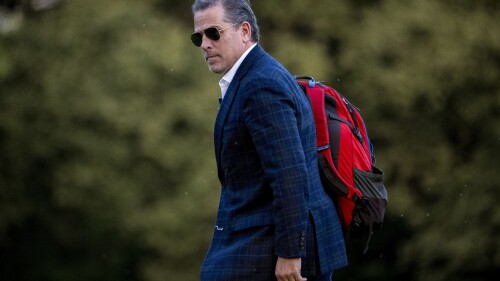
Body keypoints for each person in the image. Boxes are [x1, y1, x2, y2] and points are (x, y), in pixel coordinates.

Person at [191, 0, 348, 280]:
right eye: (198, 37)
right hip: (259, 240)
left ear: (244, 30)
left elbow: (289, 173)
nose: (204, 44)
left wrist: (290, 254)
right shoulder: (253, 76)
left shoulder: (261, 84)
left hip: (275, 250)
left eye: (213, 33)